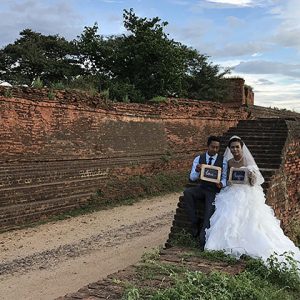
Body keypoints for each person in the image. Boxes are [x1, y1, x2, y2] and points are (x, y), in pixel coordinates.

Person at [205, 136, 300, 267]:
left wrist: (251, 175)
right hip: (232, 191)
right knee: (228, 216)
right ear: (230, 149)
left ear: (241, 147)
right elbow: (228, 179)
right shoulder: (230, 162)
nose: (235, 149)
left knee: (251, 218)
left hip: (247, 192)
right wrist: (227, 182)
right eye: (232, 147)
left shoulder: (249, 161)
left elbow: (255, 182)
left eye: (237, 147)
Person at [184, 135, 227, 250]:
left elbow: (224, 178)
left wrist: (222, 184)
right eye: (212, 147)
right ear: (208, 146)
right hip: (202, 187)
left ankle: (203, 240)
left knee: (208, 213)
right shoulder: (199, 158)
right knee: (188, 193)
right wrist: (198, 171)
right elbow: (192, 178)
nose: (214, 149)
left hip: (213, 191)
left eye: (217, 147)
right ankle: (194, 222)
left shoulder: (223, 161)